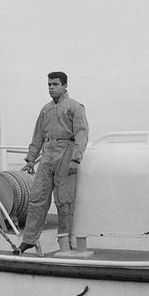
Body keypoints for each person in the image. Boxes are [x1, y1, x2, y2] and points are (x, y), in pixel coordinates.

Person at [18, 71, 89, 254]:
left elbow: (81, 133)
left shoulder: (75, 107)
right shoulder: (45, 109)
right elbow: (38, 135)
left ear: (64, 86)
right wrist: (31, 159)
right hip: (47, 154)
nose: (51, 88)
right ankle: (29, 239)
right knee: (37, 198)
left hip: (66, 153)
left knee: (64, 201)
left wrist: (76, 157)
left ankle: (65, 242)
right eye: (49, 84)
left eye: (55, 84)